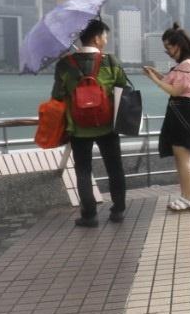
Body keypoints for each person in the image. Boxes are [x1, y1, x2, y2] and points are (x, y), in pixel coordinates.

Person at [50, 18, 132, 228]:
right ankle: (118, 210)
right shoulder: (110, 61)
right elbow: (126, 89)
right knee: (115, 168)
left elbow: (57, 96)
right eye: (105, 35)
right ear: (96, 38)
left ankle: (89, 215)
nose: (106, 39)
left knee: (84, 170)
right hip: (107, 126)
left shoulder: (65, 64)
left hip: (78, 128)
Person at [142, 24, 190, 212]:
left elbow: (175, 90)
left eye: (169, 47)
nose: (167, 51)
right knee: (180, 158)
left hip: (182, 113)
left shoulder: (186, 65)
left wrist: (153, 79)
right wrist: (156, 74)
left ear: (178, 45)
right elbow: (173, 82)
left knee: (183, 159)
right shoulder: (187, 64)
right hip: (182, 111)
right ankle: (186, 196)